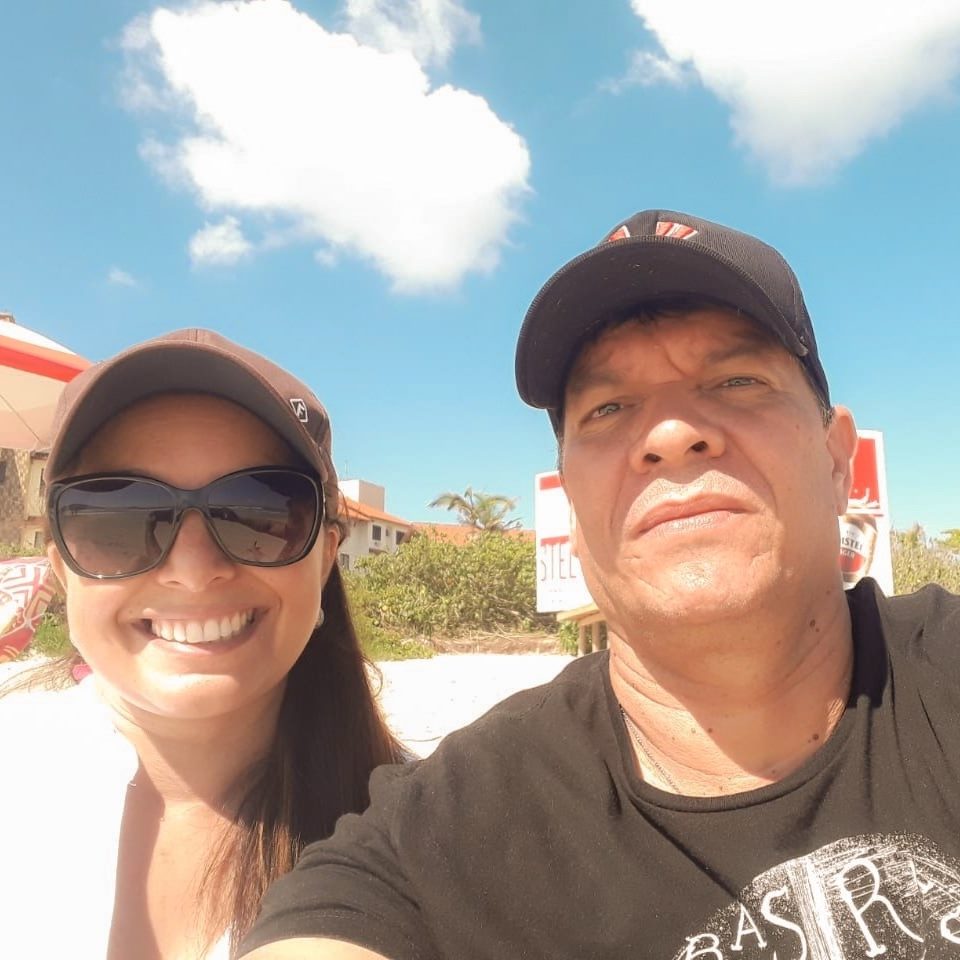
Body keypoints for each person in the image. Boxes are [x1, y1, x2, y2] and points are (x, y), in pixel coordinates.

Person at [240, 209, 960, 960]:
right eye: (609, 408)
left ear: (838, 461)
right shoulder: (447, 837)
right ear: (573, 516)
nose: (671, 434)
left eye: (737, 380)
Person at [0, 329, 404, 959]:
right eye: (118, 517)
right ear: (62, 566)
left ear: (325, 557)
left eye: (259, 512)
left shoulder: (425, 837)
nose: (192, 570)